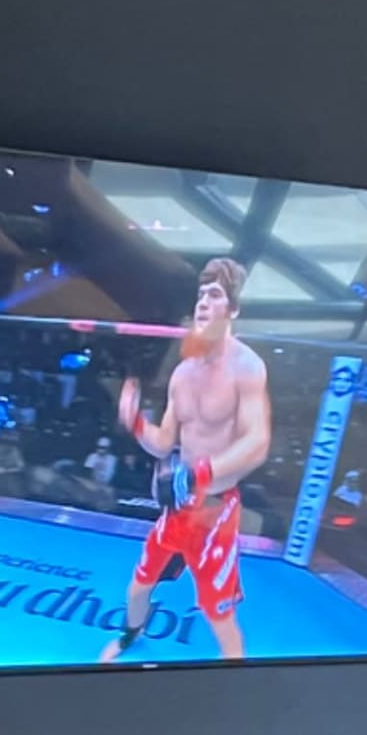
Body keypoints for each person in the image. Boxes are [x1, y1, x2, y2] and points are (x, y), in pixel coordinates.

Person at [103, 256, 272, 663]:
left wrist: (201, 473)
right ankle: (130, 635)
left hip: (214, 511)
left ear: (233, 309)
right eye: (200, 295)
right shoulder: (182, 374)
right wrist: (136, 423)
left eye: (214, 295)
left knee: (219, 614)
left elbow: (258, 442)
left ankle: (236, 676)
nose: (203, 303)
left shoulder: (247, 367)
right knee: (138, 586)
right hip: (179, 505)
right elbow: (164, 444)